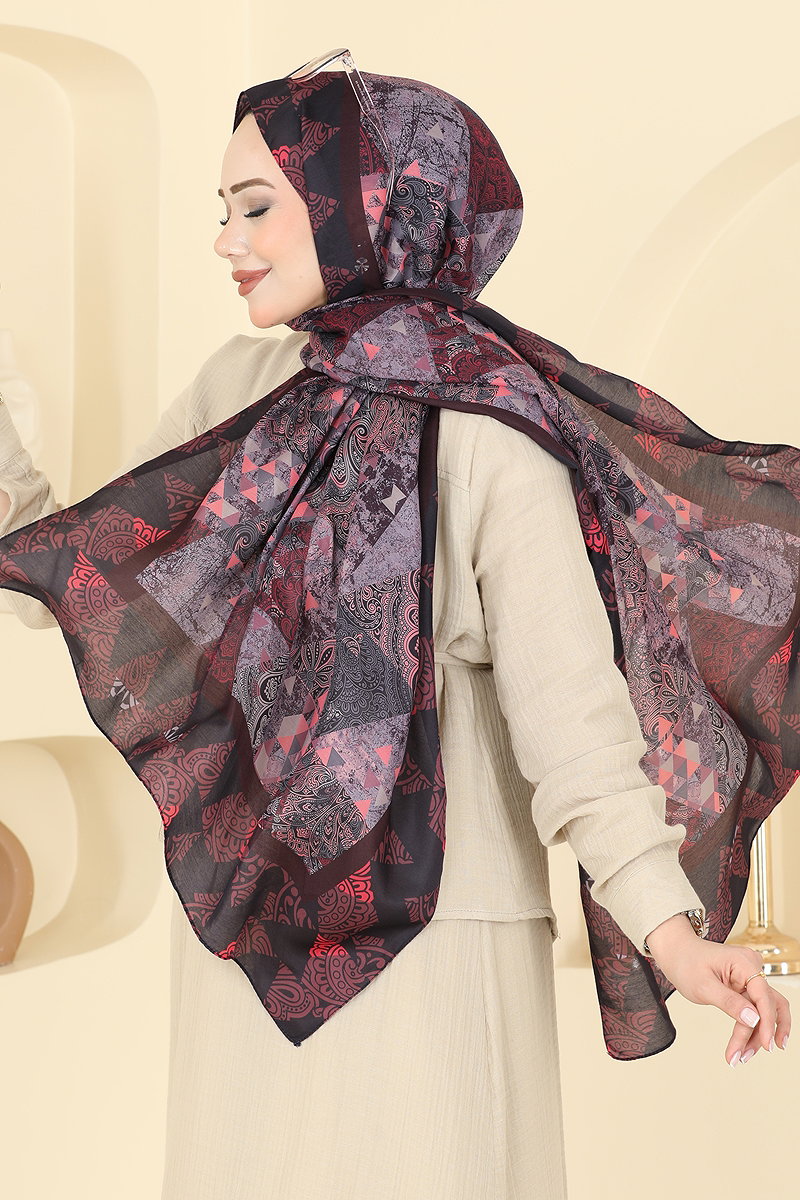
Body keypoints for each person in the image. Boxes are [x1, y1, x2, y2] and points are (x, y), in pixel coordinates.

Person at [0, 51, 793, 1200]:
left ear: (367, 204)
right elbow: (109, 579)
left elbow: (571, 720)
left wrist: (668, 932)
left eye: (256, 207)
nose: (225, 242)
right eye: (221, 210)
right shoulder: (240, 392)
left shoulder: (487, 431)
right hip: (254, 934)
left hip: (436, 946)